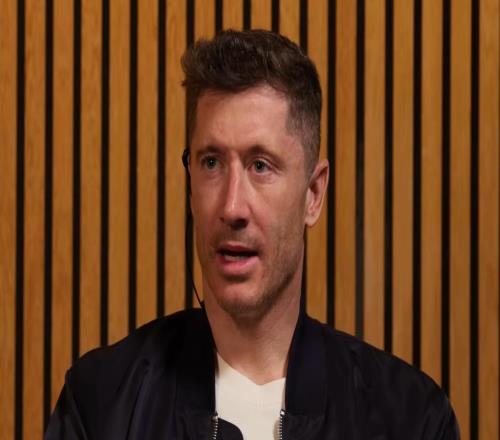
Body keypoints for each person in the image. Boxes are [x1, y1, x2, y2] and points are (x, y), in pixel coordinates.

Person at [45, 29, 459, 440]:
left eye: (260, 165)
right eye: (211, 163)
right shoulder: (98, 406)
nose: (231, 208)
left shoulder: (413, 420)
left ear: (313, 195)